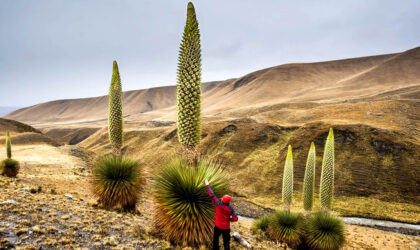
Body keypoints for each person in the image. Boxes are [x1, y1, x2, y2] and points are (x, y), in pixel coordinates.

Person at [205, 179, 238, 250]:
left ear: (222, 200)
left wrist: (207, 185)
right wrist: (230, 218)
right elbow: (235, 219)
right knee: (226, 242)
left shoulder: (217, 204)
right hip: (226, 228)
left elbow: (212, 195)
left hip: (217, 226)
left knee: (215, 240)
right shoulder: (230, 209)